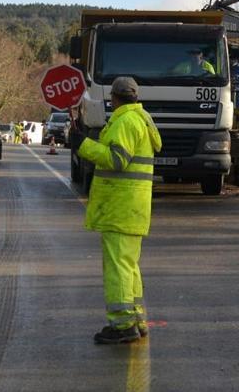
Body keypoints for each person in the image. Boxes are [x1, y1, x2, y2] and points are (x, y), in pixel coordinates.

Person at [78, 77, 162, 344]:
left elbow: (116, 160)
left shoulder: (124, 121)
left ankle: (122, 324)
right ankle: (136, 318)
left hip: (119, 206)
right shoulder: (141, 118)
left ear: (113, 98)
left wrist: (84, 145)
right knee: (129, 265)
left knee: (118, 268)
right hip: (133, 207)